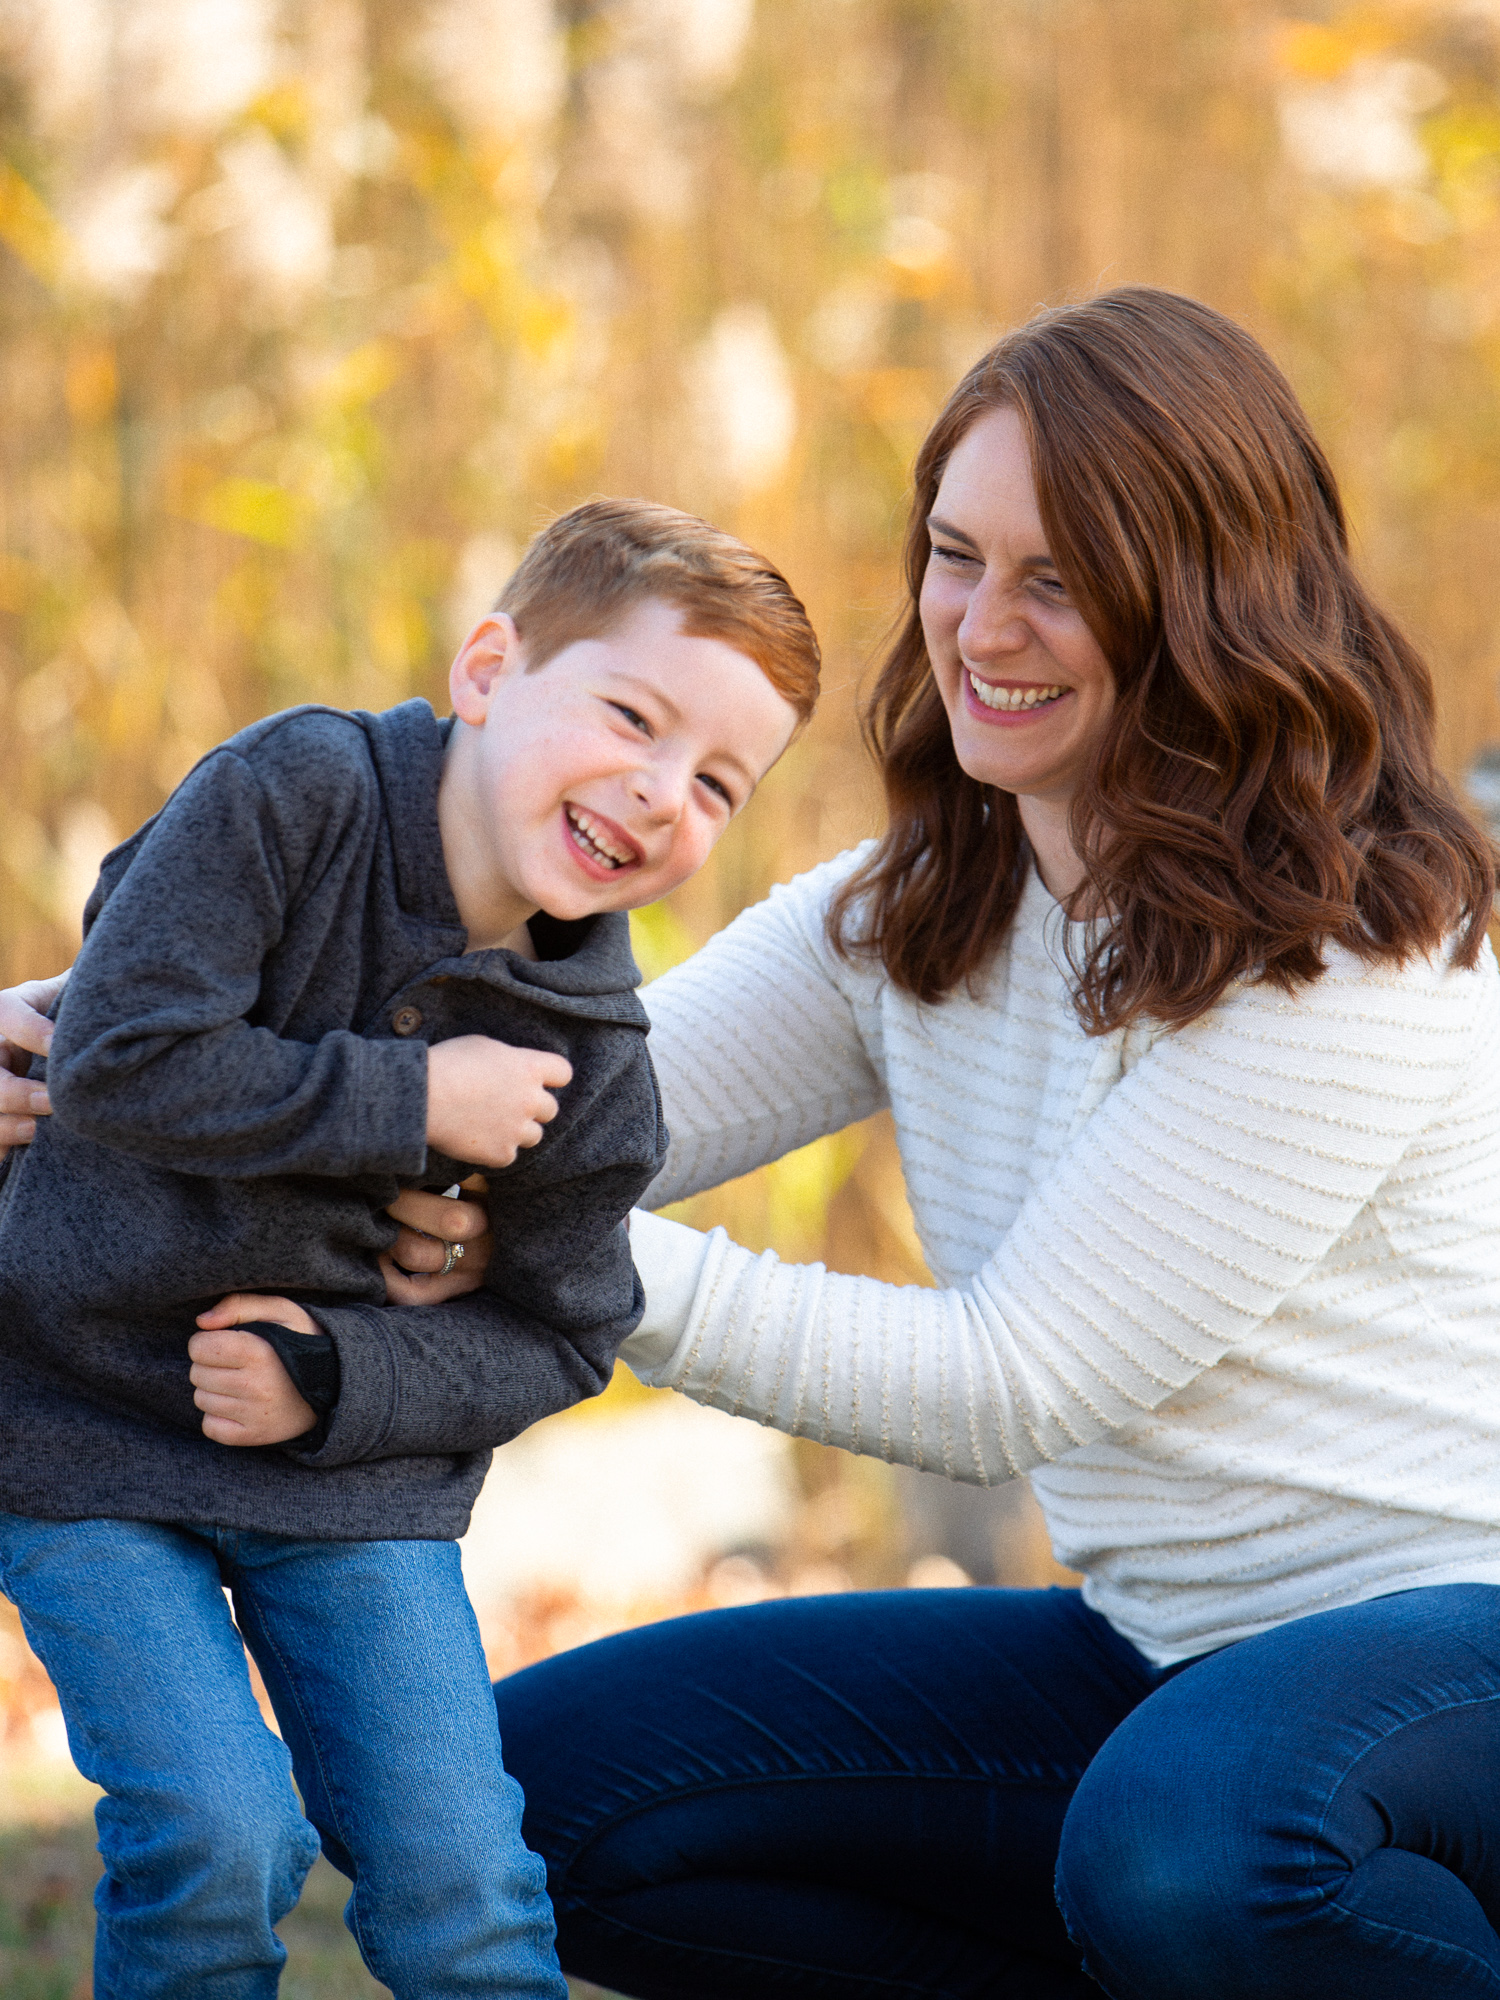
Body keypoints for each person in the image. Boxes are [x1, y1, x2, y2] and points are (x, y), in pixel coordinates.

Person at [7, 286, 1500, 1995]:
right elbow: (537, 1083)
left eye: (1062, 579)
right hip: (1157, 1654)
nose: (980, 627)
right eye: (956, 555)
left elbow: (1005, 1385)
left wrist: (548, 1255)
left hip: (1458, 1650)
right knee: (539, 1806)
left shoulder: (1353, 957)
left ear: (1209, 601)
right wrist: (70, 1036)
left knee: (1197, 1844)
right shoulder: (918, 914)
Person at [0, 498, 816, 2000]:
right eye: (630, 717)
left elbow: (566, 1330)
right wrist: (414, 1098)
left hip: (353, 1484)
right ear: (493, 666)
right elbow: (116, 1055)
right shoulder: (294, 791)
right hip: (82, 1426)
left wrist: (340, 1379)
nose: (656, 793)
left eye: (716, 783)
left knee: (464, 1881)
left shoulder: (592, 1055)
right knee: (217, 1832)